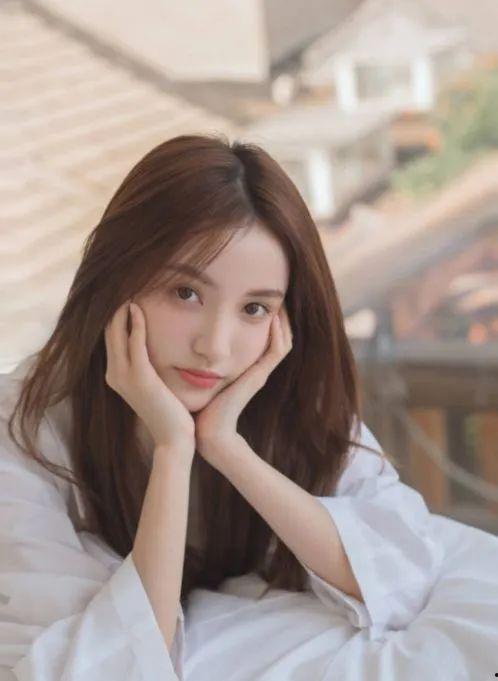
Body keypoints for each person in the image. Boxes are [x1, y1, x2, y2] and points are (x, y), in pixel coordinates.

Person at [0, 134, 446, 680]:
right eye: (185, 294)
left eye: (254, 308)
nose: (214, 346)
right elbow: (102, 667)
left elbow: (400, 573)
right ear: (118, 279)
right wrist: (173, 449)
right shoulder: (24, 422)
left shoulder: (286, 397)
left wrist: (226, 446)